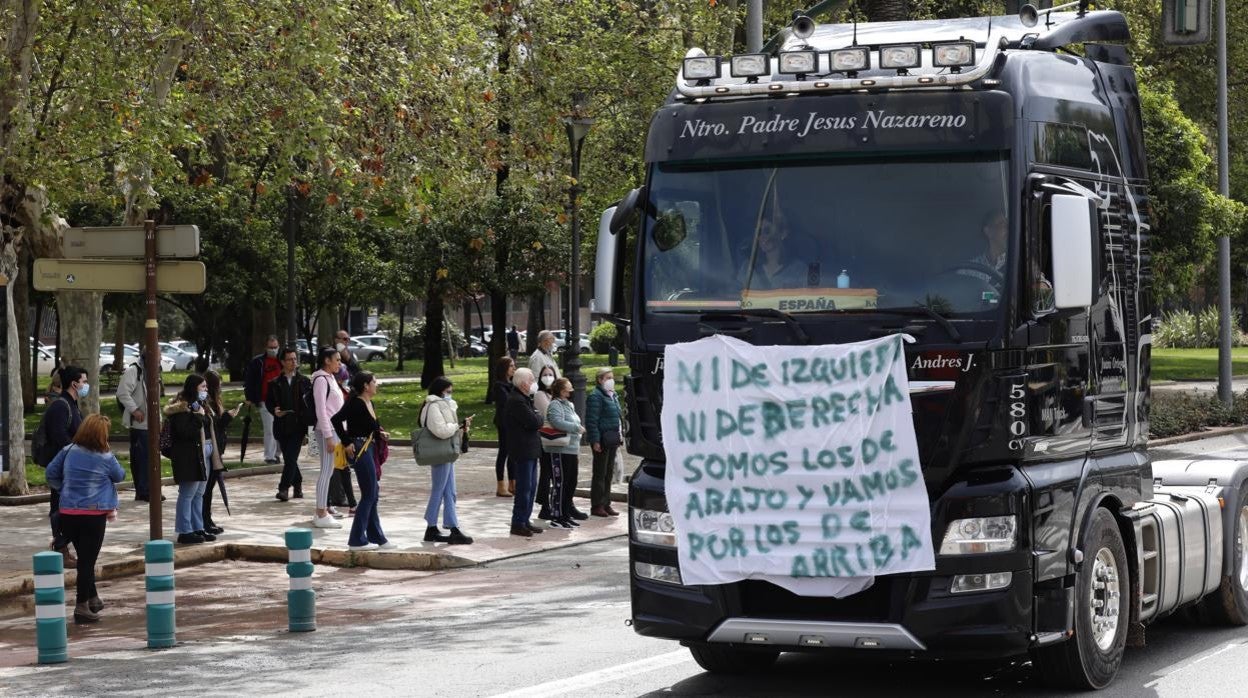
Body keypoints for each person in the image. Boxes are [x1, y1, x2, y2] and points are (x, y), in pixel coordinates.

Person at [44, 414, 125, 624]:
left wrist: (64, 489)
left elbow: (51, 473)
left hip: (69, 512)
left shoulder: (68, 451)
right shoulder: (105, 457)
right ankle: (81, 606)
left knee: (84, 557)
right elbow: (120, 475)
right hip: (93, 514)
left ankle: (93, 598)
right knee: (87, 562)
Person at [330, 371, 394, 551]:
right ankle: (356, 540)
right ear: (366, 386)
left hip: (370, 447)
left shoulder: (369, 402)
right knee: (369, 494)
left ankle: (377, 537)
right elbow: (335, 420)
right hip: (359, 449)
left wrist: (380, 433)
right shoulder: (356, 403)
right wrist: (347, 441)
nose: (377, 384)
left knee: (373, 493)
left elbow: (370, 426)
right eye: (374, 381)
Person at [39, 365, 88, 567]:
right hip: (62, 467)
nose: (86, 385)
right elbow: (60, 437)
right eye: (84, 381)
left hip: (71, 466)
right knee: (60, 507)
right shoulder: (61, 406)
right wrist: (76, 453)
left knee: (68, 506)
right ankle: (60, 546)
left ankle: (63, 545)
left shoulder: (73, 405)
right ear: (74, 384)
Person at [418, 377, 474, 545]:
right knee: (440, 489)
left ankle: (450, 527)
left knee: (449, 491)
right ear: (440, 391)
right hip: (440, 453)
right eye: (448, 391)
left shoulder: (440, 405)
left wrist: (461, 426)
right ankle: (432, 526)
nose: (450, 394)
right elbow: (441, 430)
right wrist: (457, 427)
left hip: (445, 453)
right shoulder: (434, 406)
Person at [165, 375, 214, 545]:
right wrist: (199, 417)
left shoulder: (198, 405)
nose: (205, 390)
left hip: (200, 455)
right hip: (187, 456)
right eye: (202, 387)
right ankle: (184, 530)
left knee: (199, 494)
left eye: (206, 387)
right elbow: (186, 432)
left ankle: (197, 527)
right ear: (194, 388)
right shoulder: (181, 408)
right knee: (187, 494)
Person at [116, 347, 163, 502]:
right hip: (140, 425)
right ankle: (143, 491)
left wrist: (159, 420)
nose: (160, 360)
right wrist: (135, 410)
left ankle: (152, 489)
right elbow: (122, 393)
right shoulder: (133, 371)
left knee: (153, 458)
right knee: (141, 459)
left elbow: (155, 398)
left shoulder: (153, 372)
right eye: (158, 357)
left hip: (152, 424)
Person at [266, 346, 312, 502]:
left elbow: (310, 403)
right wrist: (274, 410)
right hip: (281, 425)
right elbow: (269, 402)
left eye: (295, 359)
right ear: (282, 362)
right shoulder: (274, 383)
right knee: (289, 458)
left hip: (298, 426)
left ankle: (283, 488)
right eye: (289, 359)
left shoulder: (304, 381)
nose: (293, 362)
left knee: (291, 458)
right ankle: (298, 484)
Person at [504, 367, 544, 538]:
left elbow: (537, 418)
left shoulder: (525, 399)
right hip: (523, 449)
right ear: (522, 383)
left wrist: (538, 417)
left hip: (531, 449)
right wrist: (538, 417)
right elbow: (534, 421)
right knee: (524, 488)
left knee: (531, 487)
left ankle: (525, 519)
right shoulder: (516, 400)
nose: (533, 384)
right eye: (531, 381)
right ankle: (518, 522)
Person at [543, 377, 586, 528]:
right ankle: (557, 516)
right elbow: (556, 422)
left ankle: (566, 513)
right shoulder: (555, 404)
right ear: (562, 390)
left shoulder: (569, 405)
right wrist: (576, 427)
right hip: (560, 450)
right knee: (560, 483)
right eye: (569, 387)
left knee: (571, 482)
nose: (572, 389)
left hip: (572, 449)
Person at [202, 370, 241, 535]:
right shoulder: (206, 403)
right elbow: (213, 426)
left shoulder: (214, 402)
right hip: (210, 449)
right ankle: (203, 520)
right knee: (206, 489)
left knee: (210, 487)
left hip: (217, 449)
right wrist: (227, 418)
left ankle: (207, 519)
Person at [311, 346, 345, 529]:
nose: (339, 363)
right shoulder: (321, 379)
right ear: (327, 360)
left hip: (333, 429)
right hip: (327, 430)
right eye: (337, 359)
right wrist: (328, 435)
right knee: (326, 471)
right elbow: (321, 410)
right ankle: (321, 512)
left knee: (329, 470)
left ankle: (322, 510)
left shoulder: (331, 378)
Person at [585, 367, 622, 517]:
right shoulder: (596, 396)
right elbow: (592, 421)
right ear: (600, 380)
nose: (611, 381)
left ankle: (606, 503)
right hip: (602, 439)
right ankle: (597, 505)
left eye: (612, 378)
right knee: (600, 473)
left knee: (608, 473)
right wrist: (595, 440)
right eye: (608, 378)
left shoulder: (612, 395)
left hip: (612, 438)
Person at [739, 208, 807, 291]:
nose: (762, 237)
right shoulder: (747, 267)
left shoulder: (799, 270)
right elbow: (736, 296)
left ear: (783, 233)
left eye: (767, 231)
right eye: (759, 232)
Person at [244, 335, 283, 466]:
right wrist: (250, 397)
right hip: (265, 400)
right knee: (270, 429)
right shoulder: (258, 362)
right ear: (266, 347)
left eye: (275, 347)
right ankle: (269, 456)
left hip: (282, 400)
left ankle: (278, 454)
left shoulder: (282, 361)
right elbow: (250, 381)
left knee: (281, 429)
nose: (273, 350)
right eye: (271, 347)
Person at [533, 365, 557, 522]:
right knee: (547, 471)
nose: (548, 377)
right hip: (546, 438)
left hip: (556, 438)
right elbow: (551, 414)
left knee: (554, 472)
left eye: (551, 374)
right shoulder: (540, 394)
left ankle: (554, 503)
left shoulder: (553, 394)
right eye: (545, 374)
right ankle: (544, 505)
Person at [493, 356, 517, 497]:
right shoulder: (499, 385)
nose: (514, 368)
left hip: (513, 422)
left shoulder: (511, 384)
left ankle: (512, 484)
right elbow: (508, 402)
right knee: (504, 452)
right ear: (504, 369)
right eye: (511, 366)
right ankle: (500, 485)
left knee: (513, 452)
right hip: (504, 423)